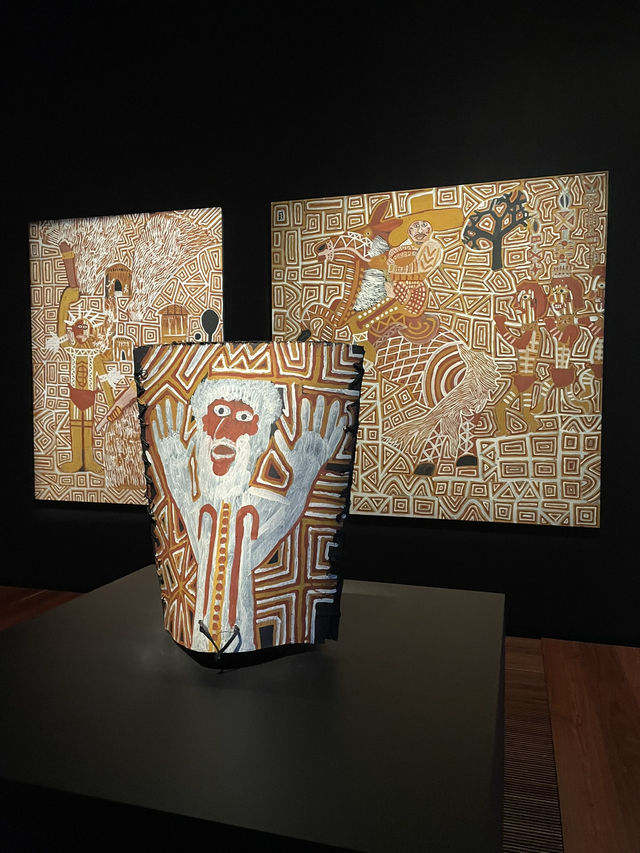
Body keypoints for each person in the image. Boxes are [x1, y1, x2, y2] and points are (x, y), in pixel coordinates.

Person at [151, 377, 347, 653]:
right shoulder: (201, 509)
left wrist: (304, 477)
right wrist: (177, 481)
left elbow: (278, 525)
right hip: (198, 637)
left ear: (259, 438)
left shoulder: (259, 506)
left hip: (247, 641)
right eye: (219, 411)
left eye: (243, 417)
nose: (225, 430)